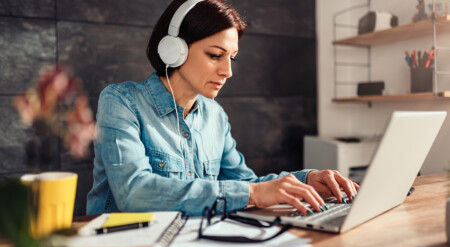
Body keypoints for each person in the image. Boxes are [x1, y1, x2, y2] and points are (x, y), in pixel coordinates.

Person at [87, 0, 359, 217]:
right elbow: (134, 193)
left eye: (232, 58)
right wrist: (252, 193)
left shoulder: (214, 115)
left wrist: (306, 180)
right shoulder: (121, 102)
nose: (228, 71)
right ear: (174, 50)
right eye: (215, 55)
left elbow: (246, 182)